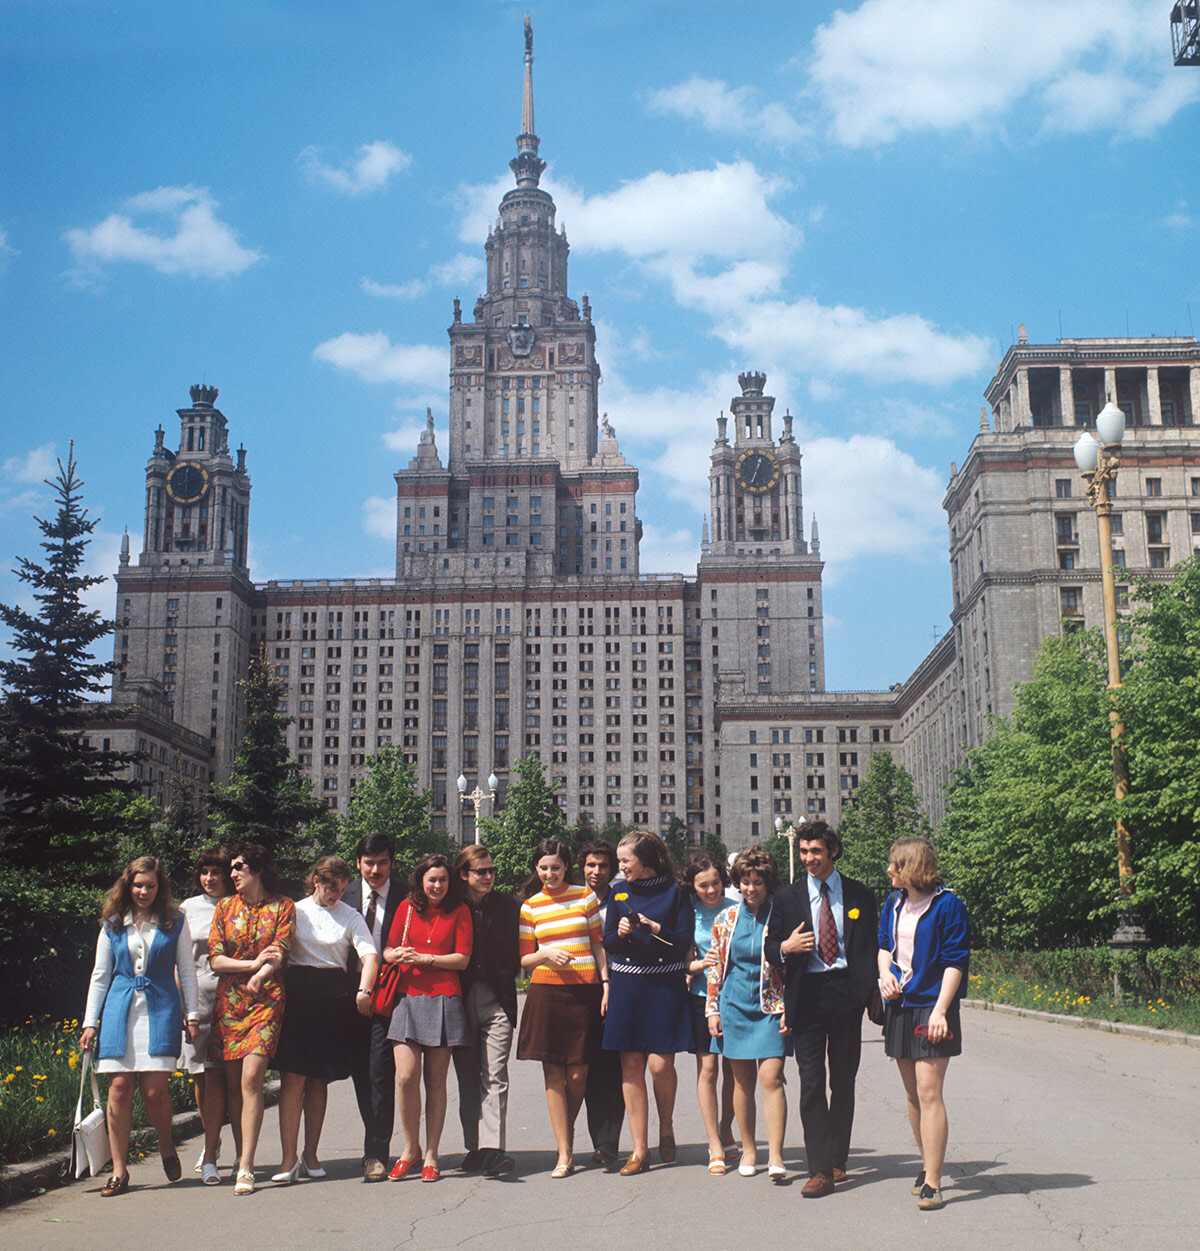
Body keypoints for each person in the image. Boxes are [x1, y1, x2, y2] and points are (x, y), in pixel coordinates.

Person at [765, 820, 877, 1198]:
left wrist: (866, 992)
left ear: (833, 851)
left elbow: (870, 947)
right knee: (811, 1081)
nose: (809, 858)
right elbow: (770, 948)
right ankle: (819, 1170)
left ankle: (837, 1158)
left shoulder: (861, 894)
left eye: (815, 851)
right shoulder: (787, 897)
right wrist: (786, 947)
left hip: (846, 994)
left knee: (842, 1080)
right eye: (803, 852)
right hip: (807, 995)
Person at [80, 856, 200, 1196]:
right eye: (137, 885)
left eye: (150, 885)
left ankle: (165, 1144)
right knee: (119, 1088)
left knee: (153, 1091)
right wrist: (90, 1022)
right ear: (127, 886)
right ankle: (119, 1170)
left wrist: (191, 1016)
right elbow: (101, 976)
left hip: (161, 1010)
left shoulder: (174, 921)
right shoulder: (114, 923)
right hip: (120, 1012)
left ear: (159, 888)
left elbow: (187, 971)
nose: (143, 891)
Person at [271, 855, 378, 1184]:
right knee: (293, 1079)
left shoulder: (351, 916)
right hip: (298, 996)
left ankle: (311, 1153)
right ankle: (288, 1158)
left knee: (318, 1080)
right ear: (316, 879)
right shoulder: (295, 910)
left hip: (332, 999)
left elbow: (370, 955)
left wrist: (364, 990)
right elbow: (278, 948)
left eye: (343, 888)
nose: (337, 894)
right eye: (332, 887)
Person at [877, 838, 970, 1212]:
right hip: (900, 1005)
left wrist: (940, 1010)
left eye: (894, 865)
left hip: (933, 1007)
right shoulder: (893, 902)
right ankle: (927, 1163)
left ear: (912, 867)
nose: (888, 870)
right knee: (913, 1094)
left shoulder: (949, 905)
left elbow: (955, 960)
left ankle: (934, 1181)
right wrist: (884, 974)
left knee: (930, 1091)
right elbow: (884, 943)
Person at [602, 830, 694, 1176]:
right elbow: (608, 942)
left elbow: (683, 940)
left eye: (626, 860)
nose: (620, 865)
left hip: (663, 985)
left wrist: (656, 928)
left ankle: (666, 1126)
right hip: (628, 984)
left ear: (648, 859)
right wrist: (622, 932)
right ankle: (639, 1150)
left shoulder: (676, 891)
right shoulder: (618, 891)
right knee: (630, 1066)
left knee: (659, 1065)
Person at [516, 840, 608, 1178]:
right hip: (546, 994)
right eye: (543, 868)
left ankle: (564, 1133)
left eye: (555, 867)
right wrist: (547, 953)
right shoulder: (530, 906)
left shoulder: (585, 897)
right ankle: (564, 1151)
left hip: (584, 992)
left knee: (577, 1075)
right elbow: (525, 959)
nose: (549, 873)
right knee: (553, 1073)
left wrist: (606, 984)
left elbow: (597, 945)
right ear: (536, 869)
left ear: (565, 867)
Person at [208, 842, 295, 1196]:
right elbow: (215, 959)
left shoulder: (282, 906)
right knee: (232, 1086)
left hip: (266, 1001)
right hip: (229, 1003)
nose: (232, 874)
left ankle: (246, 1166)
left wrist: (261, 973)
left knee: (251, 1077)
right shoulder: (225, 908)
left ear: (257, 869)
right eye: (232, 868)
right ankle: (241, 1154)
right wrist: (251, 965)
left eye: (238, 867)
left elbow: (280, 952)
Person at [383, 852, 472, 1183]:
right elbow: (388, 949)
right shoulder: (407, 908)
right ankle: (410, 1149)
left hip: (445, 998)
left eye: (443, 880)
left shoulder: (459, 911)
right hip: (407, 997)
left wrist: (426, 959)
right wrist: (398, 955)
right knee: (405, 1076)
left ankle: (432, 1153)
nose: (437, 885)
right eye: (432, 879)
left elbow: (462, 959)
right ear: (421, 880)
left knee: (436, 1081)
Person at [706, 847, 789, 1181]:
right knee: (742, 1083)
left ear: (768, 883)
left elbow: (793, 964)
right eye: (745, 881)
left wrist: (791, 1008)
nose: (752, 888)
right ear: (737, 883)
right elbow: (715, 968)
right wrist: (713, 1009)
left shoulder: (782, 914)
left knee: (772, 1078)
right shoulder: (725, 919)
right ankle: (750, 1149)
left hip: (772, 1007)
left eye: (758, 881)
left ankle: (777, 1156)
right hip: (734, 1007)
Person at [452, 843, 520, 1178]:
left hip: (497, 1001)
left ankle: (494, 1149)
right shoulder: (451, 906)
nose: (489, 876)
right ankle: (475, 1147)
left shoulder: (509, 907)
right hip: (459, 1001)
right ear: (464, 874)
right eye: (482, 871)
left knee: (495, 1075)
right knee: (467, 1079)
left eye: (492, 870)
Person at [343, 833, 403, 1181]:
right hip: (349, 997)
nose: (375, 869)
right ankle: (374, 1140)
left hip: (390, 996)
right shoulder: (345, 894)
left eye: (382, 862)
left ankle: (376, 1152)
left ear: (391, 862)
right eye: (369, 863)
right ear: (358, 864)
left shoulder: (408, 895)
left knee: (382, 1073)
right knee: (360, 1073)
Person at [178, 847, 236, 1184]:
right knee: (201, 1075)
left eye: (216, 872)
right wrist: (183, 1003)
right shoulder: (189, 907)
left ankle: (223, 1142)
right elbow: (178, 957)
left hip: (232, 997)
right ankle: (210, 1142)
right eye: (204, 873)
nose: (210, 879)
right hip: (196, 997)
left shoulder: (239, 905)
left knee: (228, 1077)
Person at [681, 851, 738, 1173]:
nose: (712, 890)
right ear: (693, 886)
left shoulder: (738, 910)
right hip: (701, 997)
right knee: (708, 1069)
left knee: (734, 1070)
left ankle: (727, 1127)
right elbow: (685, 962)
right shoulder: (689, 916)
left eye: (716, 883)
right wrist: (700, 964)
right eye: (704, 885)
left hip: (735, 998)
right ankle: (713, 1143)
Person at [579, 839, 625, 1166]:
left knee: (614, 1066)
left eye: (603, 866)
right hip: (581, 990)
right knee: (586, 1068)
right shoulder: (571, 899)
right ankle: (588, 1139)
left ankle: (609, 1142)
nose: (597, 871)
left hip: (619, 989)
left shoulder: (623, 898)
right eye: (591, 865)